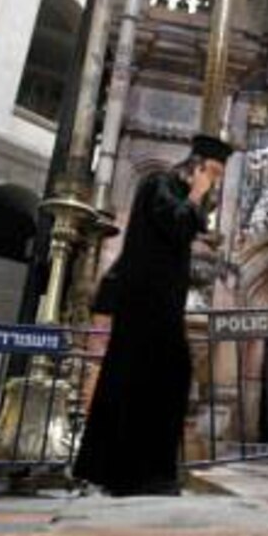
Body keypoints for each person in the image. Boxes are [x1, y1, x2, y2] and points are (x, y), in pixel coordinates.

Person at [74, 133, 232, 496]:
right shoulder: (158, 184)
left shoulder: (178, 192)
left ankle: (144, 472)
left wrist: (198, 198)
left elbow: (195, 227)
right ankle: (129, 475)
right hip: (143, 302)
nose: (216, 181)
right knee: (140, 382)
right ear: (197, 165)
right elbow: (177, 224)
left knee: (161, 380)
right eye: (214, 172)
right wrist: (197, 193)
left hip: (161, 304)